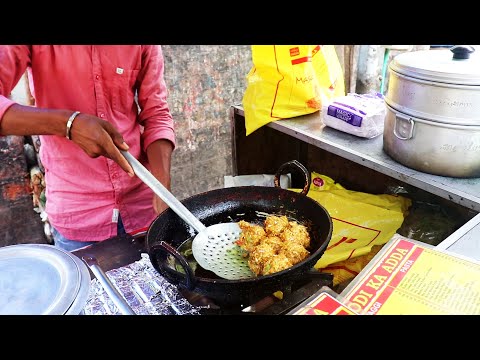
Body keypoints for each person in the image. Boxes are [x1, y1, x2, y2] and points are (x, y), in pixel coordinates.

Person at [0, 45, 175, 251]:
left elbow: (156, 114)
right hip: (77, 217)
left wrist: (161, 188)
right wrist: (68, 124)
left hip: (142, 209)